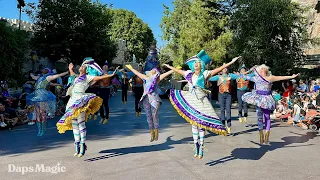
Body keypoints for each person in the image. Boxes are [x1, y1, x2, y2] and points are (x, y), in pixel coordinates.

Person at [164, 50, 240, 159]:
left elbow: (218, 69)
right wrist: (169, 66)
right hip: (192, 101)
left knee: (201, 123)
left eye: (198, 63)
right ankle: (196, 145)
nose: (195, 64)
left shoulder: (205, 74)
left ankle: (202, 146)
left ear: (201, 65)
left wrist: (231, 62)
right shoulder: (188, 74)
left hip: (202, 102)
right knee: (194, 124)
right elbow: (178, 71)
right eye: (194, 63)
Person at [56, 58, 119, 158]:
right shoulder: (75, 78)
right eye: (81, 66)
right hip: (72, 102)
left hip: (80, 101)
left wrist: (111, 74)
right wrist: (70, 68)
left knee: (81, 123)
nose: (82, 67)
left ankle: (82, 144)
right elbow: (72, 73)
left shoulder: (88, 77)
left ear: (87, 69)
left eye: (84, 66)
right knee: (74, 125)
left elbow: (101, 77)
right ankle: (77, 145)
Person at [240, 64, 299, 144]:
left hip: (267, 99)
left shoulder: (270, 78)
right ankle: (261, 135)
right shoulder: (256, 78)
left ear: (266, 71)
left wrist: (291, 77)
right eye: (261, 70)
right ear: (259, 71)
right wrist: (249, 70)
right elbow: (243, 76)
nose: (263, 71)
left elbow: (281, 77)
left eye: (264, 70)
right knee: (259, 117)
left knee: (267, 117)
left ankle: (267, 135)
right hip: (259, 99)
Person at [125, 64, 174, 142]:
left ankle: (156, 130)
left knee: (154, 115)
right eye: (152, 70)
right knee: (148, 117)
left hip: (154, 99)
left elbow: (165, 74)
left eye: (154, 70)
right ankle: (152, 133)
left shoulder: (157, 79)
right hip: (146, 99)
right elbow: (137, 73)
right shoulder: (146, 78)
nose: (152, 70)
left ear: (156, 73)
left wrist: (174, 69)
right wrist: (131, 68)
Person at [27, 68, 69, 136]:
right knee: (39, 113)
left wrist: (66, 72)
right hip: (37, 95)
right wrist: (31, 74)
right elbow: (55, 78)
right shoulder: (40, 77)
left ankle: (42, 129)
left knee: (41, 113)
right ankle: (40, 129)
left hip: (41, 96)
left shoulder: (46, 77)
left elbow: (56, 77)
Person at [208, 63, 240, 134]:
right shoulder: (218, 77)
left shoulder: (230, 75)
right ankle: (222, 126)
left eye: (226, 67)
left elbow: (239, 75)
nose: (225, 68)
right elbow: (210, 78)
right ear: (221, 70)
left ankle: (229, 126)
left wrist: (241, 74)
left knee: (228, 110)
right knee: (222, 110)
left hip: (228, 95)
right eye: (223, 68)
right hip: (221, 95)